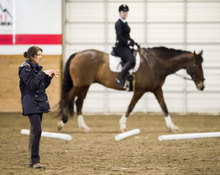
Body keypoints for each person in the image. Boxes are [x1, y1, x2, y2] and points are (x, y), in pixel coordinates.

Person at [18, 46, 59, 169]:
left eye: (41, 54)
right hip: (31, 104)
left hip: (38, 103)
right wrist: (43, 73)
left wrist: (48, 77)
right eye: (38, 54)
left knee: (34, 131)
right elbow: (32, 85)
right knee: (38, 131)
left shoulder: (35, 69)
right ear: (31, 56)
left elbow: (41, 86)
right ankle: (35, 161)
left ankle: (32, 160)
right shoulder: (25, 69)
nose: (41, 57)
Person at [114, 4, 136, 88]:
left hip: (125, 46)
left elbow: (127, 36)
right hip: (120, 47)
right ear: (120, 12)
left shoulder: (125, 23)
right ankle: (120, 79)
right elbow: (119, 35)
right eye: (123, 12)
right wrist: (127, 42)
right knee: (131, 61)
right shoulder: (118, 23)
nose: (125, 13)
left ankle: (130, 84)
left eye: (126, 12)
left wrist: (133, 42)